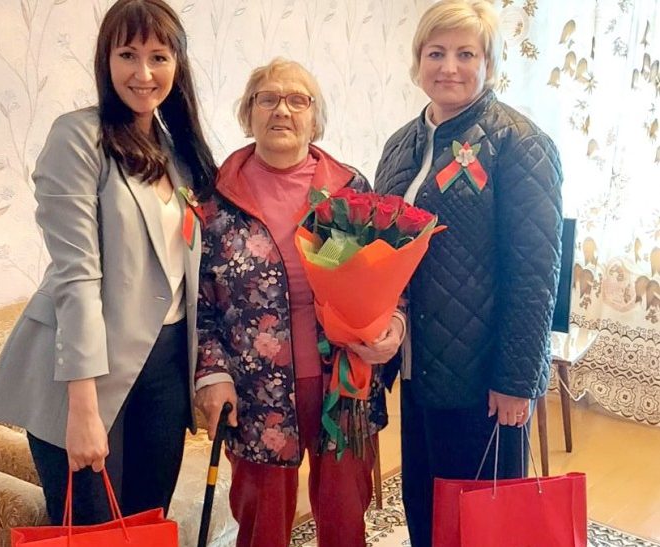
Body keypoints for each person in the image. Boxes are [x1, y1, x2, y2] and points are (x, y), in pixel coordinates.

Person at [0, 0, 216, 525]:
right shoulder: (78, 137)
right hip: (85, 372)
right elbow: (77, 276)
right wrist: (83, 409)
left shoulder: (178, 151)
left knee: (147, 522)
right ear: (105, 61)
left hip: (165, 369)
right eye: (127, 54)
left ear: (177, 65)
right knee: (91, 530)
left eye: (158, 57)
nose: (143, 73)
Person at [373, 1, 563, 545]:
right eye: (436, 53)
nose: (449, 67)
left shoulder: (520, 144)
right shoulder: (401, 145)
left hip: (483, 378)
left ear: (490, 64)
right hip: (418, 367)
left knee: (482, 521)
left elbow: (535, 274)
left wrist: (516, 381)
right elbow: (382, 252)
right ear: (418, 61)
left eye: (466, 54)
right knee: (427, 506)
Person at [194, 58, 404, 547]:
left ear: (315, 117)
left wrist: (393, 323)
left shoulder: (350, 191)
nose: (282, 110)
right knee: (261, 527)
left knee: (345, 518)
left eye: (297, 100)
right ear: (248, 113)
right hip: (254, 391)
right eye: (267, 98)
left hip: (344, 382)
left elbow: (390, 275)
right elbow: (200, 303)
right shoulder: (216, 198)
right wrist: (212, 373)